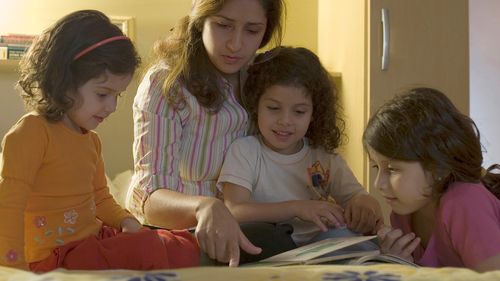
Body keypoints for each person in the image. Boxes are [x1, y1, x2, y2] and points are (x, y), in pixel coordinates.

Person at [0, 10, 199, 272]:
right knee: (148, 247)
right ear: (64, 81)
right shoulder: (32, 132)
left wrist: (125, 220)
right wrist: (13, 267)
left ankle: (195, 244)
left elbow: (100, 198)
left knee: (173, 241)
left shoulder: (90, 141)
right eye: (103, 94)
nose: (112, 106)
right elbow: (9, 204)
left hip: (91, 241)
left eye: (117, 95)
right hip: (53, 255)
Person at [126, 0, 286, 266]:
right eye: (223, 26)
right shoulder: (167, 83)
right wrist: (204, 206)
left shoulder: (262, 79)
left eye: (252, 30)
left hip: (251, 223)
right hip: (178, 230)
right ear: (200, 20)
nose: (236, 44)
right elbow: (149, 199)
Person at [217, 46, 383, 247]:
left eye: (299, 112)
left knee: (361, 240)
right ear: (256, 105)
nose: (285, 121)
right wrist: (297, 208)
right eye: (274, 108)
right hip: (269, 246)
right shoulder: (245, 151)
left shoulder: (322, 155)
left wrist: (365, 205)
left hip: (319, 245)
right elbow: (234, 210)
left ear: (314, 113)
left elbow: (357, 197)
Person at [363, 87, 500, 272]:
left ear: (438, 168)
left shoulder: (465, 202)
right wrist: (396, 263)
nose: (378, 184)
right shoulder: (403, 212)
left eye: (392, 169)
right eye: (375, 167)